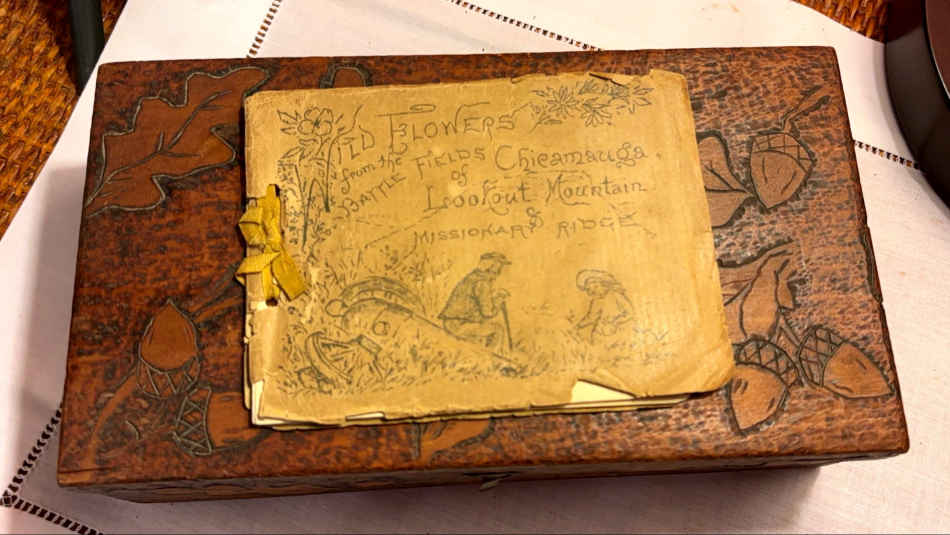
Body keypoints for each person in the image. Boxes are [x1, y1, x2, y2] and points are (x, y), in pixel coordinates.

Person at [439, 252, 512, 356]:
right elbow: (488, 313)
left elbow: (476, 302)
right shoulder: (482, 283)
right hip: (460, 326)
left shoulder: (473, 277)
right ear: (492, 268)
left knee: (484, 329)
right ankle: (490, 358)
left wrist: (494, 297)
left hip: (452, 323)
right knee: (498, 330)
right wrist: (498, 300)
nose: (497, 275)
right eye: (498, 269)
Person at [575, 269, 633, 343]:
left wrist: (615, 321)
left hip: (619, 335)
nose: (593, 291)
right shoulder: (596, 301)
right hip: (599, 336)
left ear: (603, 284)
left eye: (595, 287)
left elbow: (630, 313)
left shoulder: (615, 295)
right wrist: (578, 326)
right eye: (589, 289)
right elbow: (591, 317)